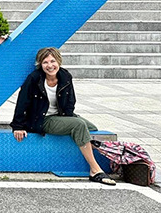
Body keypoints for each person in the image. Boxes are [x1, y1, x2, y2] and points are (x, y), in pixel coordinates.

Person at [11, 47, 116, 186]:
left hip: (61, 115)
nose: (49, 66)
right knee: (79, 125)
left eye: (52, 61)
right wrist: (17, 126)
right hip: (42, 119)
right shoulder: (34, 79)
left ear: (58, 61)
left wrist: (67, 118)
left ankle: (86, 147)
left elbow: (71, 101)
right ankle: (95, 169)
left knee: (91, 127)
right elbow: (22, 102)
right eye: (45, 62)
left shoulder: (65, 76)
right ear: (40, 65)